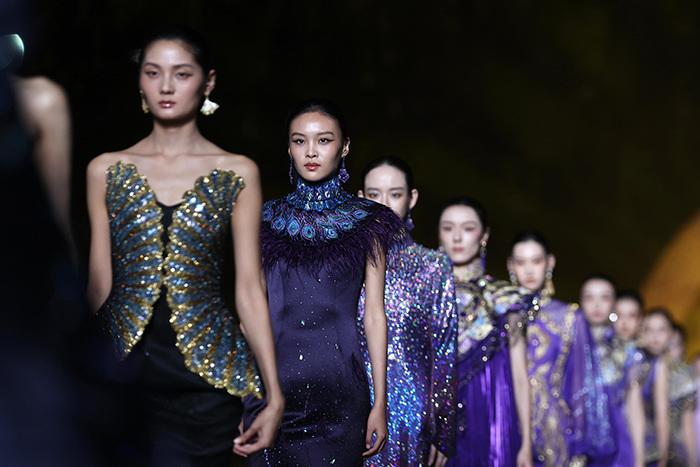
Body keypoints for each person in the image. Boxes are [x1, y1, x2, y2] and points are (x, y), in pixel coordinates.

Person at [86, 27, 283, 465]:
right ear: (140, 80)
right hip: (125, 379)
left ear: (208, 82)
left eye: (181, 73)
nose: (166, 86)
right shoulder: (105, 169)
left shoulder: (238, 172)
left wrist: (273, 392)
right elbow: (98, 286)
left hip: (208, 391)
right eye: (152, 72)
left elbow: (249, 288)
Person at [244, 99, 405, 466]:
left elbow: (374, 315)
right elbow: (251, 309)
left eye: (324, 140)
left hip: (340, 393)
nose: (311, 152)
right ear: (288, 148)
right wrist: (247, 392)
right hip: (272, 389)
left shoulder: (369, 222)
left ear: (344, 147)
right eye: (299, 141)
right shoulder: (263, 219)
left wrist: (380, 401)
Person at [357, 156, 456, 467]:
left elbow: (444, 349)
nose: (384, 204)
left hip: (411, 411)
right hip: (349, 405)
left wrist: (442, 428)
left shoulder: (433, 265)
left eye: (395, 194)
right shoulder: (346, 262)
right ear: (360, 198)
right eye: (374, 194)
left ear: (412, 198)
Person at [440, 198, 534, 467]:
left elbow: (520, 375)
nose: (457, 237)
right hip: (438, 419)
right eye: (448, 228)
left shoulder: (504, 299)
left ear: (484, 235)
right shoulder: (426, 295)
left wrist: (527, 443)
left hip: (494, 420)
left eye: (468, 228)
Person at [508, 231, 615, 466]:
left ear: (550, 262)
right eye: (521, 262)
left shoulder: (569, 317)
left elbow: (581, 383)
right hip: (507, 421)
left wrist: (579, 441)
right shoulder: (502, 315)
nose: (529, 270)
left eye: (536, 261)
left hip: (554, 428)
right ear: (511, 266)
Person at [580, 276, 646, 466]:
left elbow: (634, 408)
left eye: (605, 297)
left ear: (613, 304)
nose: (597, 305)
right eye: (589, 297)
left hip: (617, 444)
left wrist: (639, 458)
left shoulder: (628, 353)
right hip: (577, 441)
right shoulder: (569, 344)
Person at [639, 308, 673, 466]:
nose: (655, 336)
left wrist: (663, 454)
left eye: (661, 329)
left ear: (671, 333)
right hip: (633, 445)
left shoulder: (667, 367)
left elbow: (663, 414)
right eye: (649, 329)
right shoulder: (634, 362)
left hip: (655, 448)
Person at [667, 323, 698, 466]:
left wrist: (692, 460)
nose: (670, 350)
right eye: (668, 345)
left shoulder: (685, 379)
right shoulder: (650, 371)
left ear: (683, 348)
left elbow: (688, 424)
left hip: (678, 450)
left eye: (675, 345)